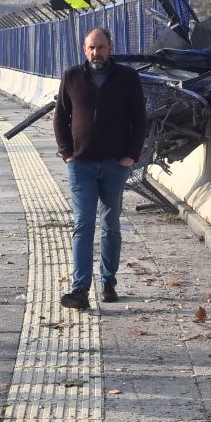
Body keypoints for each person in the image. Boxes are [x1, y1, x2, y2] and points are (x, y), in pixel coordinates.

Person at [54, 26, 150, 310]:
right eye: (92, 47)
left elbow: (139, 119)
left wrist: (131, 155)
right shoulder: (71, 77)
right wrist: (67, 154)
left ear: (110, 48)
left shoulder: (128, 78)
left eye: (101, 47)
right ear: (85, 50)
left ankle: (108, 281)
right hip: (80, 165)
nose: (97, 52)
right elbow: (60, 118)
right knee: (83, 224)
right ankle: (80, 288)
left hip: (115, 165)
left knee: (111, 225)